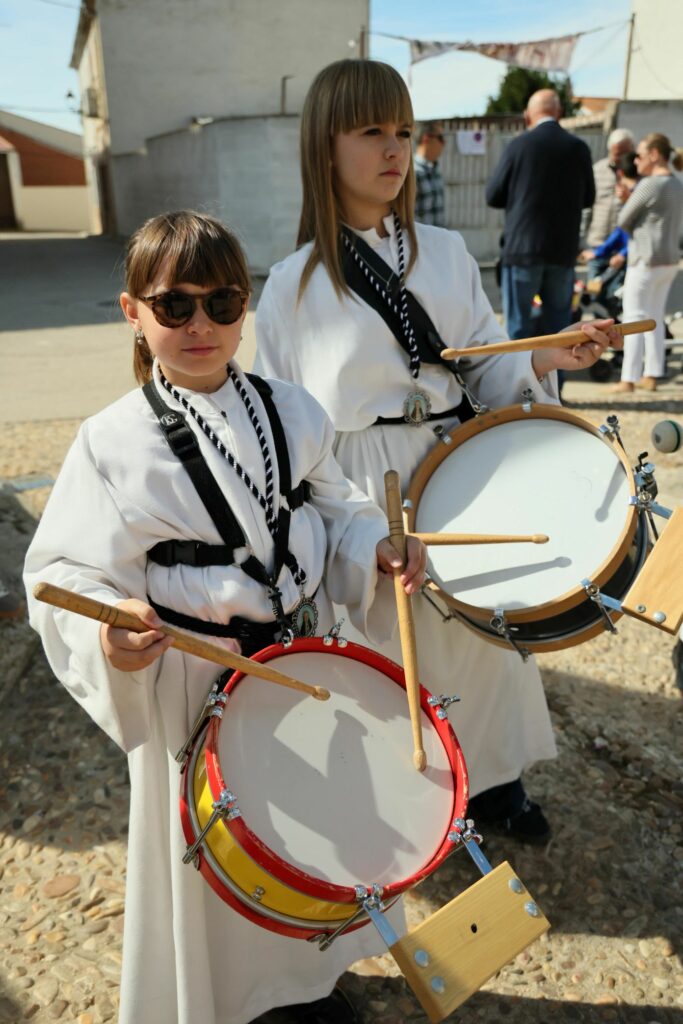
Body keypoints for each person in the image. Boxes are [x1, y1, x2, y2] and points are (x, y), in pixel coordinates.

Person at [23, 210, 427, 1024]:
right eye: (175, 306)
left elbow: (336, 505)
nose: (201, 325)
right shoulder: (110, 442)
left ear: (247, 305)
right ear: (132, 312)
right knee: (215, 861)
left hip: (304, 661)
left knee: (319, 831)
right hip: (195, 678)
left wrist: (373, 550)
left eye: (223, 302)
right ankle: (234, 1002)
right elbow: (61, 571)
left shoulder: (293, 409)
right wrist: (110, 629)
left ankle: (308, 982)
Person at [254, 60, 618, 847]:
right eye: (370, 132)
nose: (394, 149)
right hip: (360, 487)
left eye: (403, 132)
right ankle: (412, 801)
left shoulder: (448, 253)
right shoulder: (288, 286)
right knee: (386, 648)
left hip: (454, 464)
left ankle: (492, 781)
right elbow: (286, 423)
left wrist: (553, 357)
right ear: (325, 147)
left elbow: (487, 363)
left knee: (481, 641)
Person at [485, 89, 595, 341]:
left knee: (518, 329)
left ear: (527, 116)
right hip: (562, 251)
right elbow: (588, 198)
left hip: (523, 250)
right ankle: (557, 380)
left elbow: (493, 195)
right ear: (560, 112)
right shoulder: (578, 148)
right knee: (560, 330)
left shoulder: (518, 145)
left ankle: (518, 381)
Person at [611, 132, 683, 393]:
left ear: (654, 155)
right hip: (669, 260)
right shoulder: (677, 184)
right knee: (654, 317)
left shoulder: (649, 184)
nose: (636, 161)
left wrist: (624, 200)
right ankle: (652, 374)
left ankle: (627, 379)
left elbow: (624, 220)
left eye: (640, 155)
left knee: (632, 317)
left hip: (645, 259)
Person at [579, 152, 640, 313]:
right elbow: (622, 231)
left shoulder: (639, 195)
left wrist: (623, 254)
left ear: (620, 174)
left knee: (622, 305)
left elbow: (640, 233)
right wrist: (599, 252)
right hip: (606, 251)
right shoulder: (633, 196)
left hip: (628, 260)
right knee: (594, 295)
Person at [582, 128, 635, 262]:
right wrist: (582, 240)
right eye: (617, 154)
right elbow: (588, 206)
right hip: (597, 242)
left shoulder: (639, 174)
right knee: (594, 283)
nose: (620, 159)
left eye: (625, 153)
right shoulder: (597, 170)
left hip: (625, 246)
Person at [413, 120, 446, 226]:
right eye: (440, 137)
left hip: (438, 240)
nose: (444, 143)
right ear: (426, 138)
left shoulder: (435, 171)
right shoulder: (412, 173)